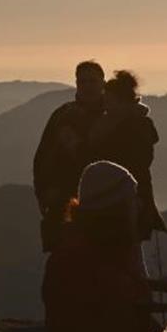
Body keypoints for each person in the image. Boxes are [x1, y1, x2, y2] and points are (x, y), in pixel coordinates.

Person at [42, 160, 162, 332]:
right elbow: (129, 325)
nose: (138, 205)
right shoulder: (89, 260)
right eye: (131, 199)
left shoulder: (84, 248)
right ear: (115, 209)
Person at [33, 60, 106, 252]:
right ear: (76, 84)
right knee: (65, 265)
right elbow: (42, 156)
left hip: (101, 206)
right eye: (83, 82)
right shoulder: (61, 116)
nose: (87, 86)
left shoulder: (111, 118)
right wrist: (42, 192)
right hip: (61, 203)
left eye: (92, 81)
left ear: (103, 83)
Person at [86, 70, 167, 242]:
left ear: (122, 102)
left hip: (127, 196)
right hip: (121, 194)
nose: (105, 104)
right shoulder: (113, 124)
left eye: (109, 100)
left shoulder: (136, 127)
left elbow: (136, 162)